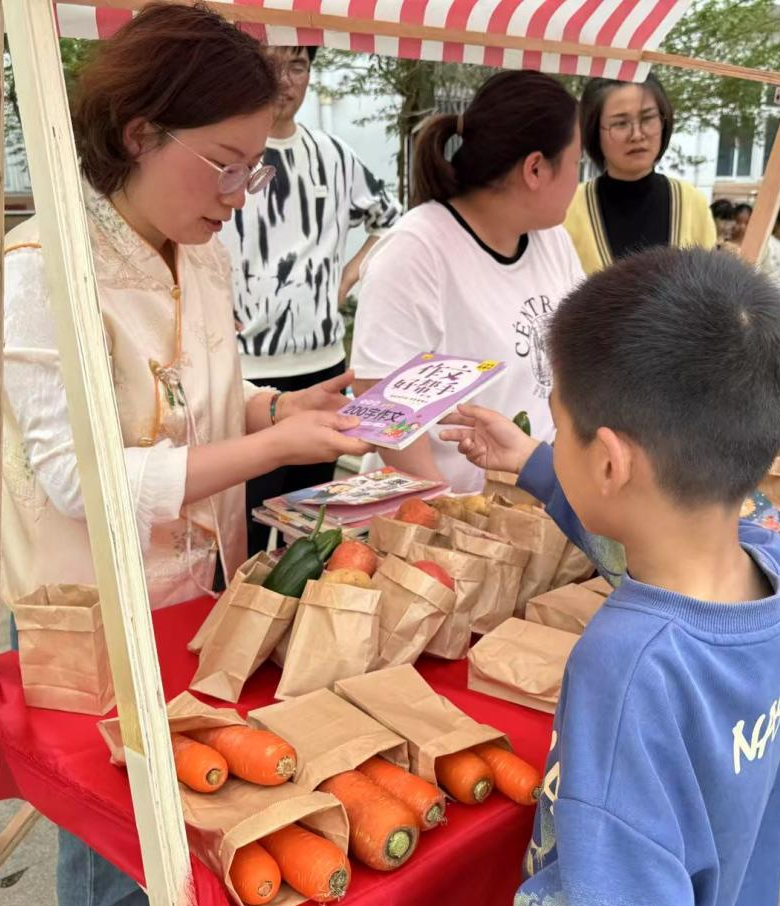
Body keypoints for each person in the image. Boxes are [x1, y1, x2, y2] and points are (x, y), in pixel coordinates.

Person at [1, 7, 368, 906]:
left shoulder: (199, 249)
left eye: (255, 168)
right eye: (224, 164)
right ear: (139, 134)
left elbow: (206, 395)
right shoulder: (43, 266)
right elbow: (80, 481)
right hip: (88, 607)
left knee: (187, 805)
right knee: (115, 838)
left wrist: (283, 408)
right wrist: (271, 449)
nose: (239, 194)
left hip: (194, 587)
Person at [440, 247, 780, 906]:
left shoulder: (625, 668)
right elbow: (648, 535)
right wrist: (535, 463)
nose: (553, 441)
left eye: (557, 428)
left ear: (609, 462)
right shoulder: (767, 560)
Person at [350, 71, 585, 492]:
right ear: (535, 168)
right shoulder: (417, 250)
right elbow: (379, 400)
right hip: (435, 512)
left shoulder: (553, 242)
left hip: (528, 503)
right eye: (576, 163)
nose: (578, 179)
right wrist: (445, 510)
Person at [220, 44, 399, 553]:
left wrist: (347, 276)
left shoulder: (335, 156)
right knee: (243, 526)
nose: (285, 78)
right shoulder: (227, 157)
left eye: (297, 65)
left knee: (315, 525)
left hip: (323, 367)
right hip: (245, 373)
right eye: (272, 63)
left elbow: (388, 220)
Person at [563, 76, 715, 273]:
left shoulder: (692, 203)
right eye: (620, 124)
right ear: (593, 131)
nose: (637, 135)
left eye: (648, 119)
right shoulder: (569, 208)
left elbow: (712, 283)